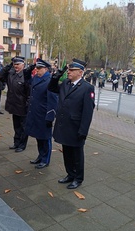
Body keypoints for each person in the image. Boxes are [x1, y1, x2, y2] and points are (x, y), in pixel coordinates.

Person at [48, 58, 95, 189]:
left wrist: (83, 131)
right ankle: (70, 174)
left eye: (72, 70)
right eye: (68, 70)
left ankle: (78, 178)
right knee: (67, 153)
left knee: (77, 156)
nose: (69, 72)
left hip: (76, 128)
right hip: (64, 126)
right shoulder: (65, 84)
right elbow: (51, 88)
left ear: (80, 72)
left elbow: (87, 112)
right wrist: (57, 75)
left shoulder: (87, 88)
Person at [25, 58, 58, 169]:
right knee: (39, 137)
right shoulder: (36, 78)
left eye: (39, 68)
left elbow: (53, 101)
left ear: (45, 69)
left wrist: (50, 117)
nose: (37, 70)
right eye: (36, 68)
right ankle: (40, 156)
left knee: (45, 138)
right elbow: (26, 79)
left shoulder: (50, 81)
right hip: (35, 113)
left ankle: (45, 159)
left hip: (44, 115)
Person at [0, 56, 34, 153]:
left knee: (23, 127)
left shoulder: (26, 76)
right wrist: (9, 65)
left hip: (22, 106)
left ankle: (22, 145)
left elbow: (29, 93)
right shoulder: (11, 73)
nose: (16, 66)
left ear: (23, 65)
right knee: (16, 125)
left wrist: (27, 105)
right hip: (13, 104)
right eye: (14, 64)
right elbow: (0, 76)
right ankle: (16, 143)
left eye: (18, 64)